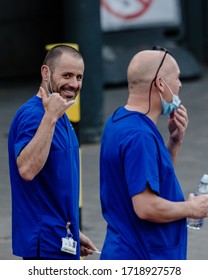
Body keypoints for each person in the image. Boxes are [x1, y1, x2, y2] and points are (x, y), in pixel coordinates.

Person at [99, 46, 208, 260]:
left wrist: (174, 142)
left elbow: (147, 178)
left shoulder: (119, 121)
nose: (179, 84)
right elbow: (146, 207)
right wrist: (191, 208)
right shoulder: (140, 135)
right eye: (176, 78)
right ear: (160, 83)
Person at [8, 45, 98, 260]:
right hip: (46, 246)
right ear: (46, 73)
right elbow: (27, 169)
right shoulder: (35, 115)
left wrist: (74, 231)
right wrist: (50, 117)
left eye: (79, 77)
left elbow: (54, 184)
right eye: (66, 75)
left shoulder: (59, 113)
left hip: (61, 238)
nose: (74, 84)